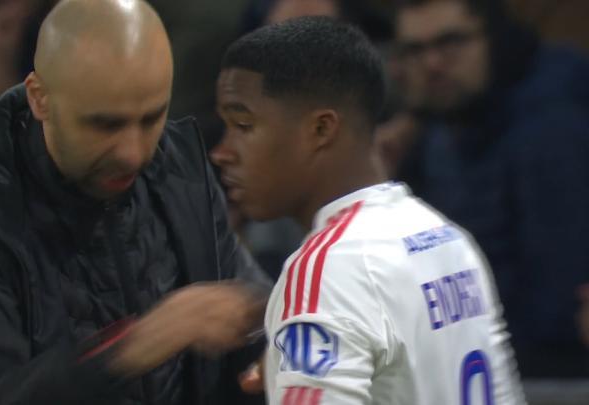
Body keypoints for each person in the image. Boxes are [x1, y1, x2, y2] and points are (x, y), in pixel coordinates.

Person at [0, 0, 269, 404]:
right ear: (38, 98)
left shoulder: (179, 163)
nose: (133, 154)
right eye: (105, 125)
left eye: (151, 119)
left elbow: (251, 321)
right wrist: (141, 343)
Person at [211, 16, 524, 403]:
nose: (222, 151)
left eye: (242, 124)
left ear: (321, 129)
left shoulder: (330, 267)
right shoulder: (447, 238)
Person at [390, 0, 589, 376]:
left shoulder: (551, 131)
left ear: (495, 40)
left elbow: (556, 314)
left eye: (451, 42)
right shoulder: (443, 122)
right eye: (414, 50)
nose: (432, 64)